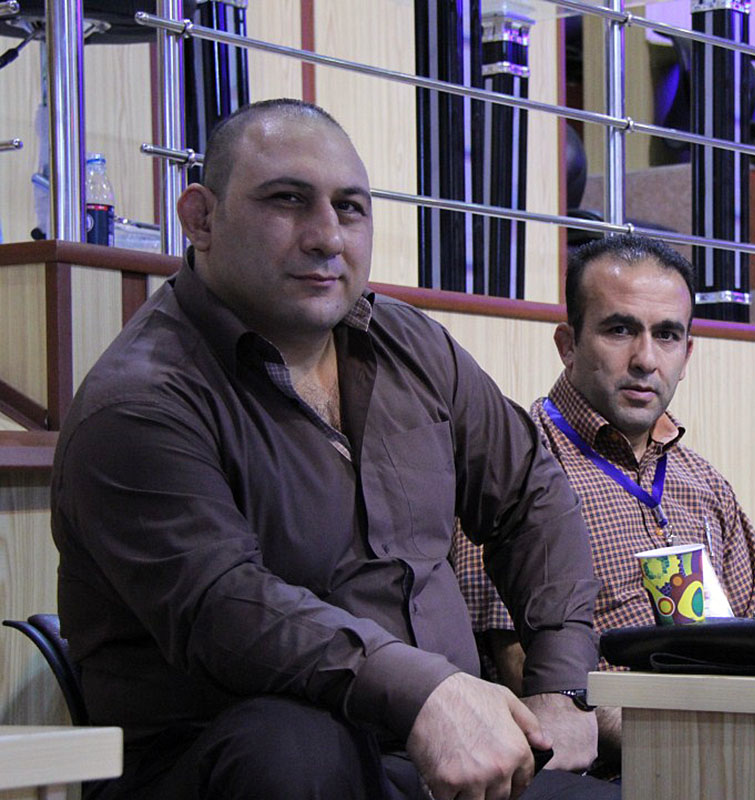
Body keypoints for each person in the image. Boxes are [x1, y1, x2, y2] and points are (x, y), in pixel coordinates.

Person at [51, 99, 619, 800]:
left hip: (439, 758)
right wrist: (428, 691)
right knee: (292, 747)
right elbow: (226, 609)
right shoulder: (139, 401)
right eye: (287, 200)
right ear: (200, 218)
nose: (326, 236)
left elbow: (531, 497)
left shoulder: (412, 345)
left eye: (350, 209)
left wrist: (561, 686)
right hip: (237, 768)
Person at [453, 234, 755, 761]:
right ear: (568, 344)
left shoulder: (704, 483)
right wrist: (692, 743)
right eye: (620, 330)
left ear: (687, 353)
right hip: (614, 770)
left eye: (667, 335)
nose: (646, 359)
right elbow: (523, 675)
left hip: (733, 754)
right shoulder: (515, 467)